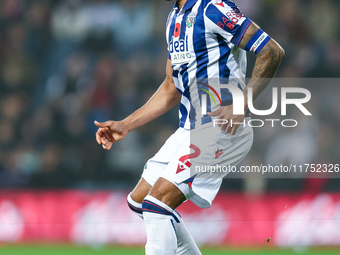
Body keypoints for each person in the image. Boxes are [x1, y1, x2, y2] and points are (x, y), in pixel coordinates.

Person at [95, 0, 284, 254]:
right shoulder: (173, 17)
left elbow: (272, 51)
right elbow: (170, 87)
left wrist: (242, 103)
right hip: (189, 129)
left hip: (220, 126)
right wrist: (126, 124)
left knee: (157, 205)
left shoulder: (213, 8)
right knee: (139, 201)